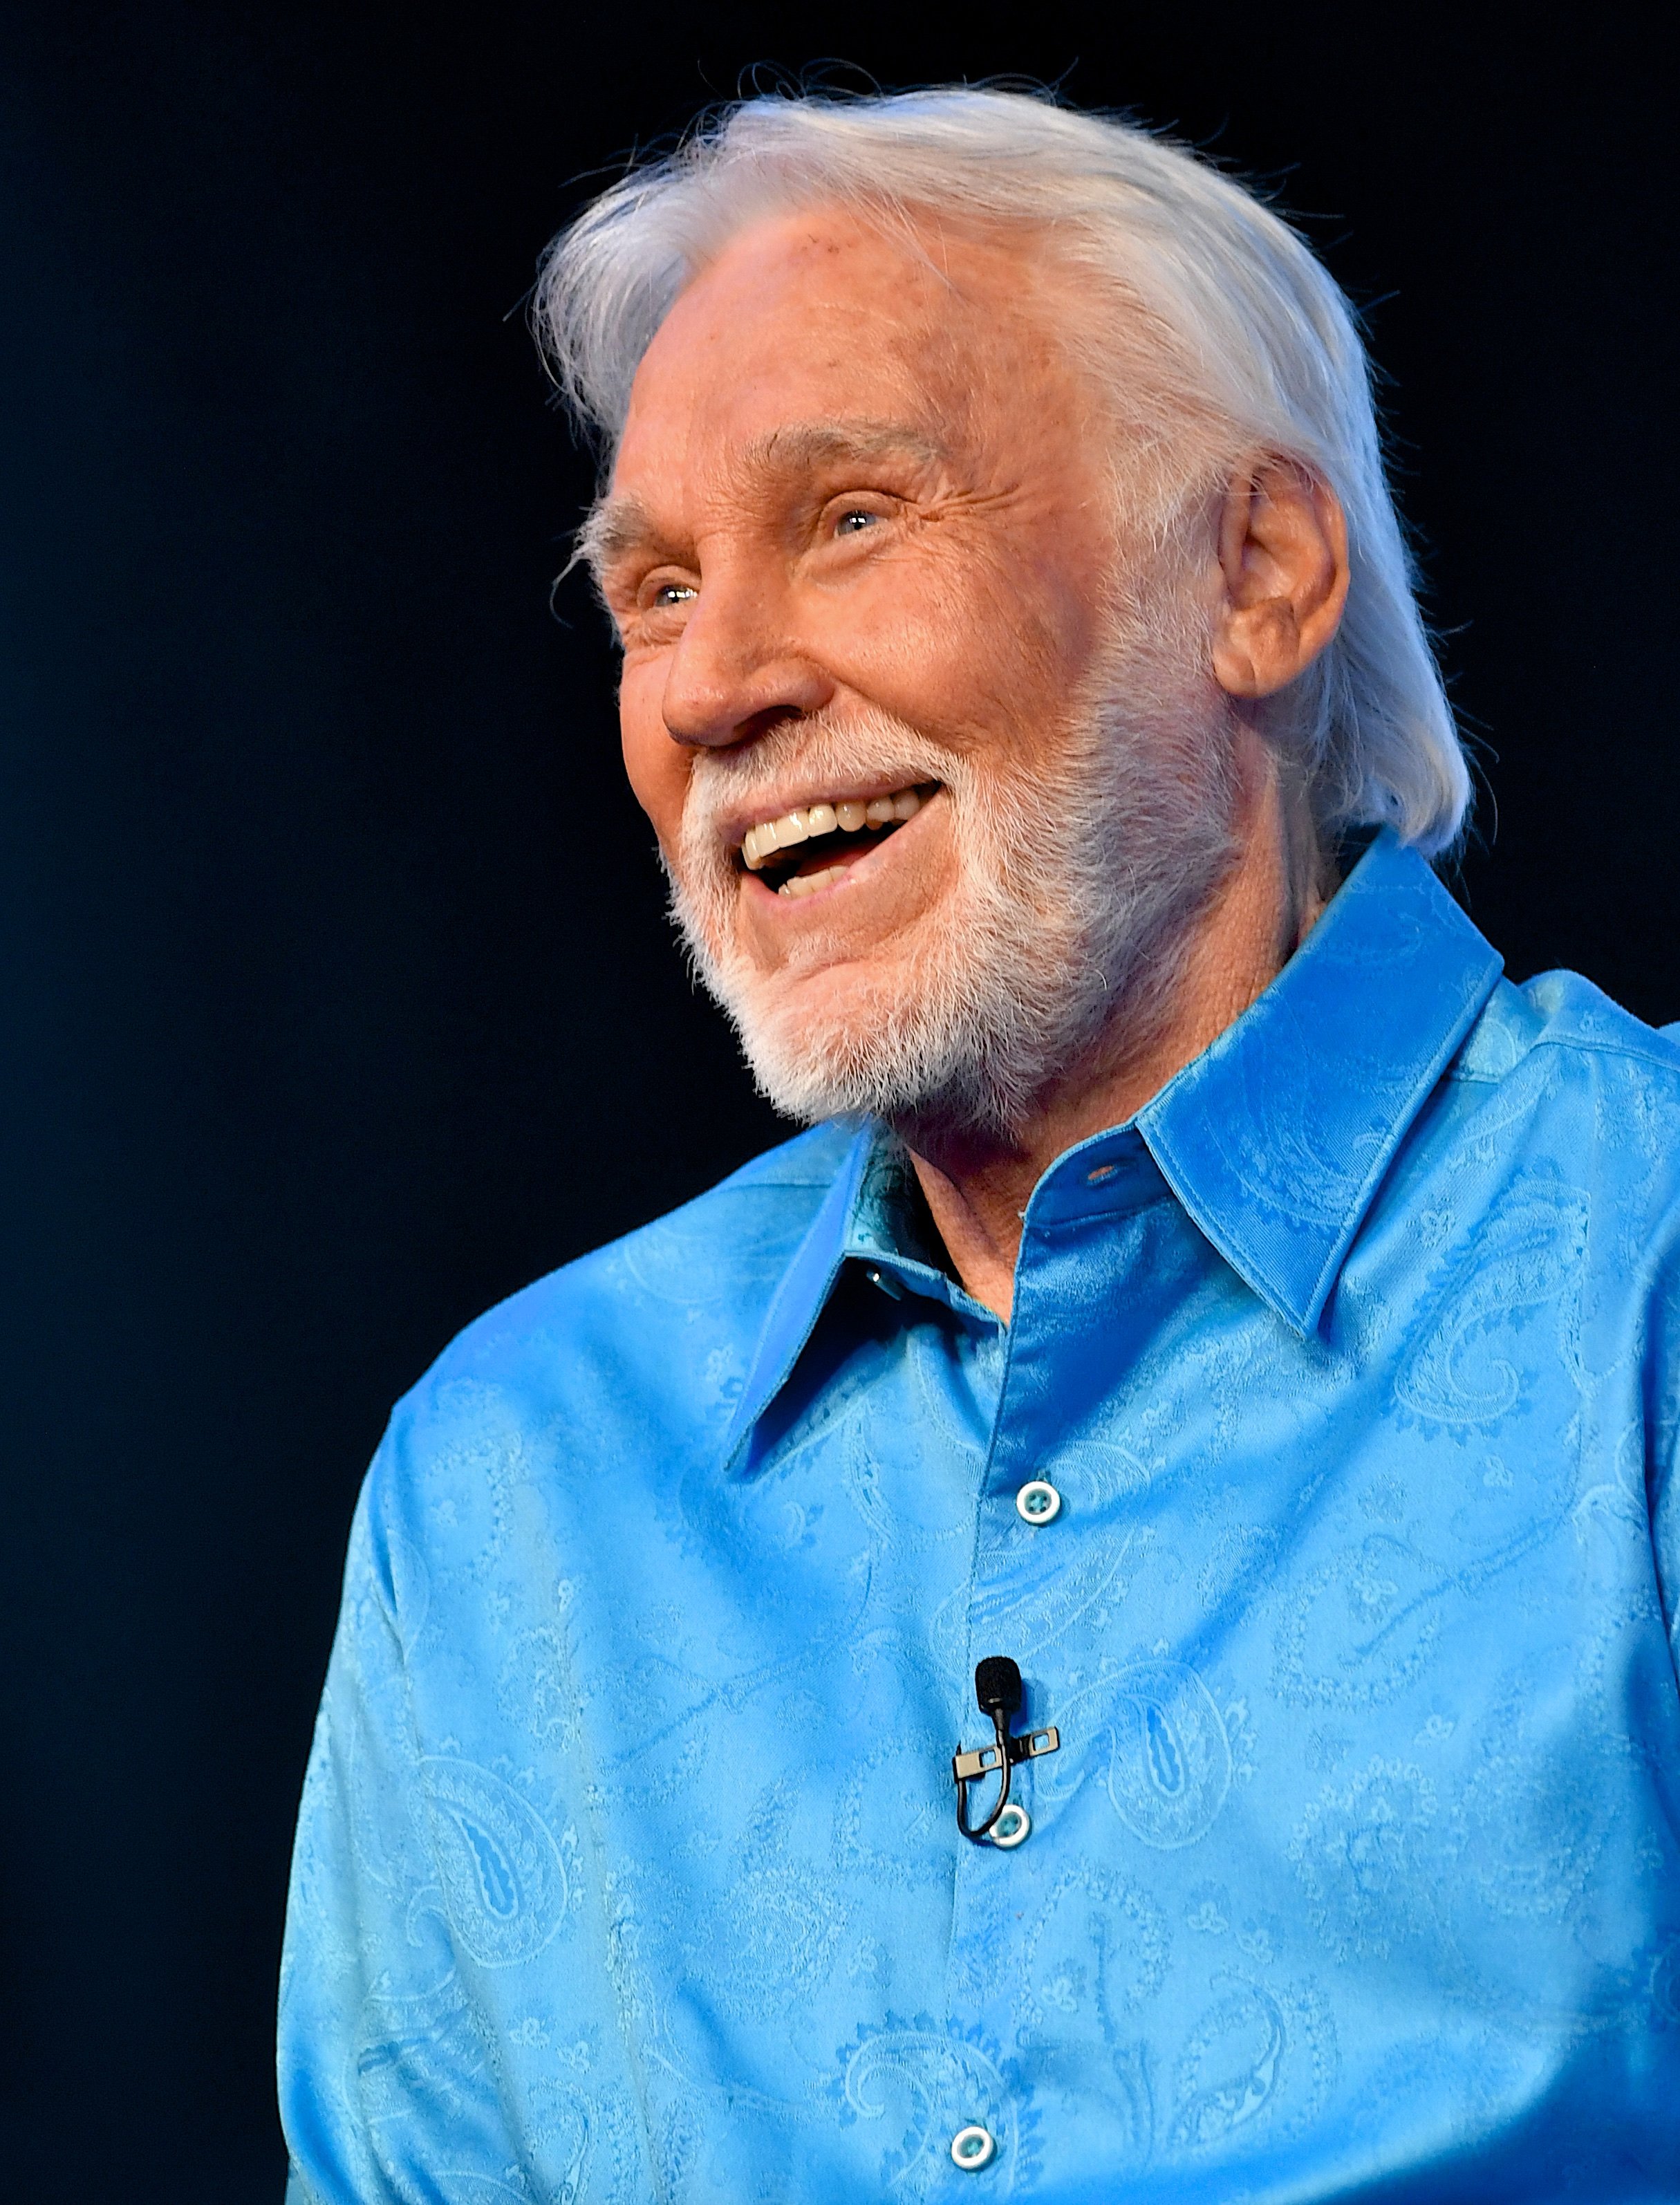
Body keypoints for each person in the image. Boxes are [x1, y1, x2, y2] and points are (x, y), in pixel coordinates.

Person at [278, 87, 1680, 2203]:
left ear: (1256, 571)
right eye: (652, 590)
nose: (715, 688)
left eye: (850, 515)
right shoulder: (511, 1483)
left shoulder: (1642, 1265)